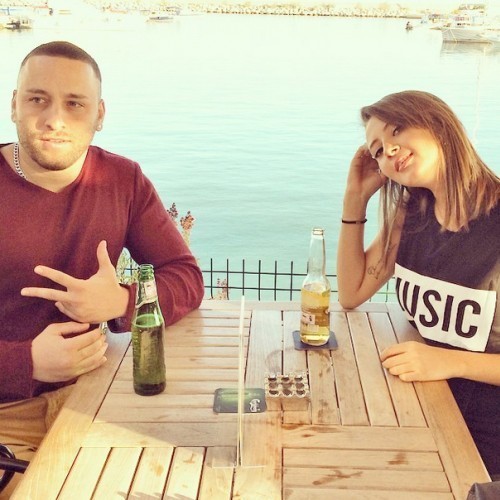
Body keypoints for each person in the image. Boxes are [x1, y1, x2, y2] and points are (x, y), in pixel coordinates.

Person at [0, 41, 204, 496]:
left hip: (100, 398)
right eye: (38, 99)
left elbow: (185, 276)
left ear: (100, 114)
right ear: (14, 105)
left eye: (75, 104)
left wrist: (122, 301)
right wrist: (25, 361)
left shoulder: (121, 179)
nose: (55, 119)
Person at [337, 90, 499, 478]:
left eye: (398, 130)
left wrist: (450, 361)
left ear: (439, 125)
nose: (389, 150)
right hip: (422, 412)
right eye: (377, 150)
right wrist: (354, 199)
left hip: (489, 447)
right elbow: (351, 292)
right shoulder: (410, 214)